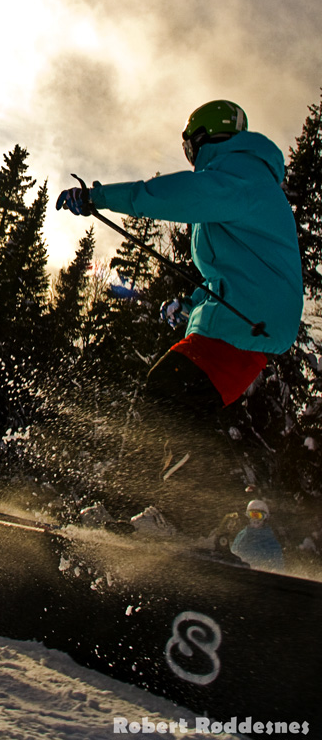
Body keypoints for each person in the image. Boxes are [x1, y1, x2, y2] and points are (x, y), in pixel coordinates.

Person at [56, 100, 304, 536]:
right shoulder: (244, 179)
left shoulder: (238, 176)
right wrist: (191, 305)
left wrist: (100, 197)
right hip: (243, 319)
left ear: (202, 138)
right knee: (172, 403)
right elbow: (232, 268)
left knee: (167, 391)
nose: (189, 154)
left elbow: (173, 195)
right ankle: (143, 513)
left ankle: (185, 520)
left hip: (248, 324)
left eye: (189, 144)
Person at [230, 499, 285, 572]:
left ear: (265, 518)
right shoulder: (241, 535)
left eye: (259, 516)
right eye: (252, 515)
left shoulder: (270, 542)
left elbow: (278, 567)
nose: (255, 519)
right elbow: (233, 554)